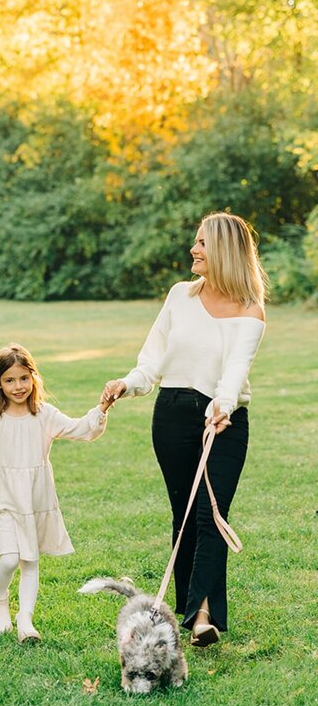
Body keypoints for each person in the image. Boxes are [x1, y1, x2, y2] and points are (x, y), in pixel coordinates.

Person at [101, 212, 267, 648]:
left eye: (202, 243)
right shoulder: (179, 296)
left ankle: (201, 617)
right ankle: (193, 614)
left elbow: (236, 368)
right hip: (173, 412)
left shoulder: (251, 309)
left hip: (225, 421)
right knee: (186, 513)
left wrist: (223, 404)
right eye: (195, 241)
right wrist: (128, 383)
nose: (193, 249)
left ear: (225, 251)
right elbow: (152, 358)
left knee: (213, 514)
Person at [0, 344, 111, 642]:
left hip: (34, 497)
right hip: (2, 496)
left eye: (23, 378)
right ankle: (0, 601)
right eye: (10, 380)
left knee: (30, 559)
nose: (18, 386)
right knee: (9, 559)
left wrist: (101, 410)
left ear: (33, 378)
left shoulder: (44, 415)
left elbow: (82, 429)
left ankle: (25, 620)